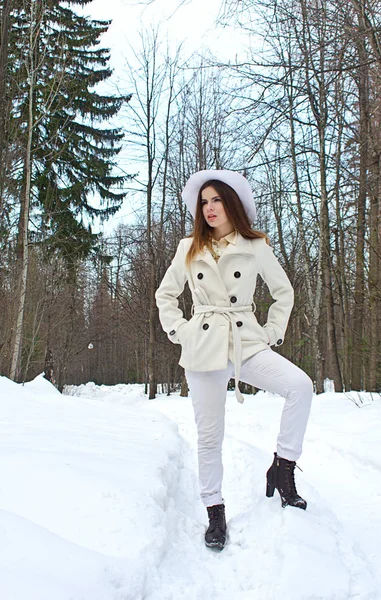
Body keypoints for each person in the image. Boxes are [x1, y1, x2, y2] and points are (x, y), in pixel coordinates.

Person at [155, 170, 313, 551]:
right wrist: (182, 332)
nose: (209, 208)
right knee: (210, 436)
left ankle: (283, 468)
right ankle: (214, 511)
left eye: (217, 200)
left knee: (300, 387)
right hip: (204, 343)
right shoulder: (188, 247)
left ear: (233, 205)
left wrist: (272, 332)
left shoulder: (255, 245)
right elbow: (166, 296)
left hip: (246, 339)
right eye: (204, 201)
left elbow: (283, 293)